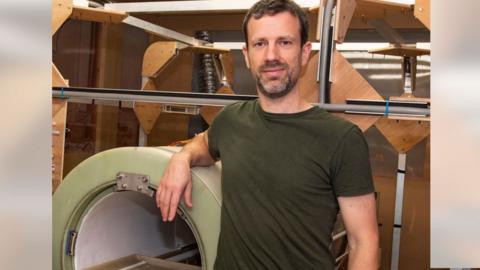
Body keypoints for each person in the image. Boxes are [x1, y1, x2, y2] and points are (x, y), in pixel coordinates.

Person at [156, 0, 379, 269]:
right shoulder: (231, 120)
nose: (271, 55)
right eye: (260, 43)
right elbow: (204, 142)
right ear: (247, 54)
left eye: (284, 42)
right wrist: (182, 158)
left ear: (305, 52)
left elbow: (363, 242)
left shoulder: (341, 139)